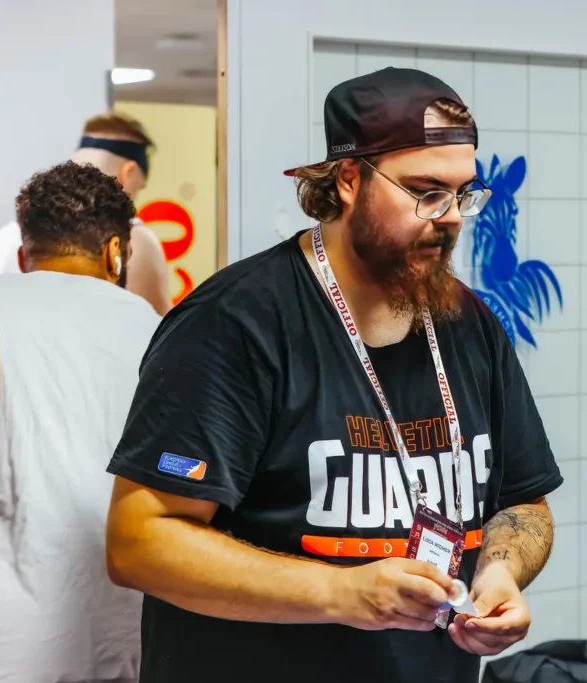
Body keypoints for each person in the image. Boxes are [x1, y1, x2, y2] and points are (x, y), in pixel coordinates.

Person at [103, 67, 562, 683]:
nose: (451, 216)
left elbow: (524, 503)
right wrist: (340, 594)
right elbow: (139, 541)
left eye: (464, 193)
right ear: (349, 180)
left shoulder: (468, 323)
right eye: (426, 191)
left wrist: (499, 574)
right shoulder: (235, 323)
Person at [0, 161, 162, 682]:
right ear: (114, 252)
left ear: (23, 255)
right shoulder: (163, 334)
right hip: (133, 634)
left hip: (7, 646)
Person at [0, 112, 173, 315]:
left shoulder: (1, 239)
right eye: (138, 189)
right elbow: (162, 338)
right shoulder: (135, 239)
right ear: (128, 172)